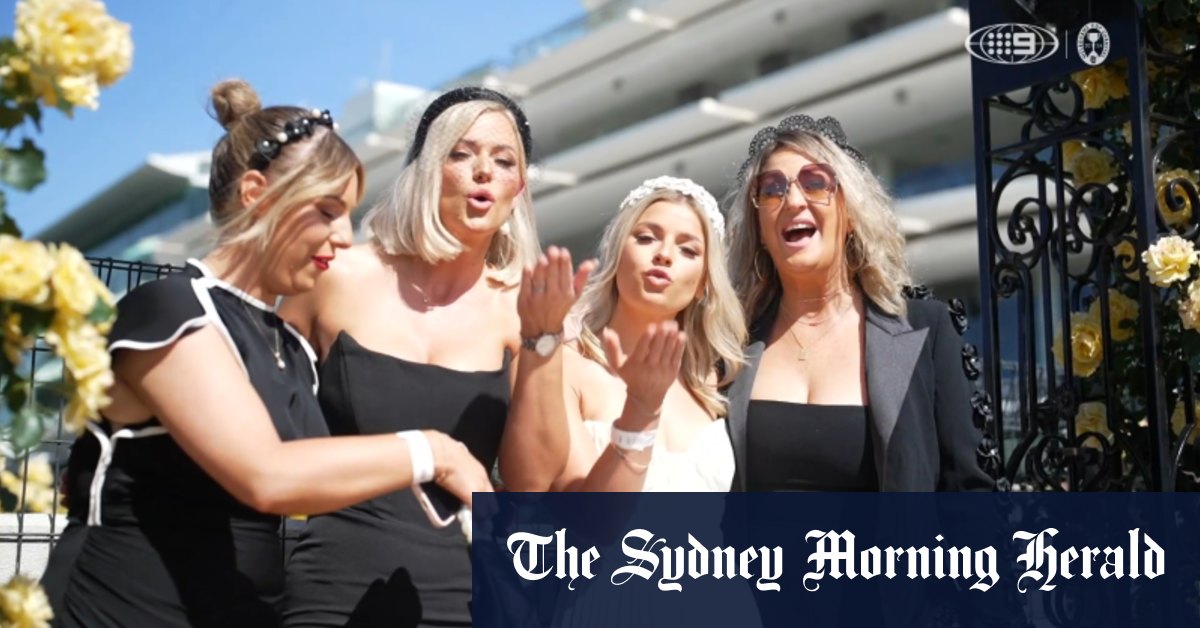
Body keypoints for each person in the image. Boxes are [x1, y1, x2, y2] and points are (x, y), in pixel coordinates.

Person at [40, 79, 492, 628]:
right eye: (326, 211)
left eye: (348, 214)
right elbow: (268, 476)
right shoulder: (172, 310)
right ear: (256, 192)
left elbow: (319, 481)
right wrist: (436, 452)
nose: (345, 236)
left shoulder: (288, 348)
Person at [280, 86, 591, 627]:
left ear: (518, 188)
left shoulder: (524, 306)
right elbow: (263, 422)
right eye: (462, 153)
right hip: (329, 581)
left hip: (463, 592)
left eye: (503, 161)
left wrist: (543, 341)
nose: (483, 172)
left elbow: (529, 482)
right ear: (427, 168)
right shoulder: (338, 276)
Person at [722, 114, 993, 492]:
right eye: (772, 188)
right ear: (760, 228)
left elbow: (968, 492)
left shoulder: (925, 330)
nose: (793, 200)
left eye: (816, 183)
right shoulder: (729, 342)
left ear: (850, 214)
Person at [550, 176, 745, 493]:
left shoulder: (722, 384)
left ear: (703, 284)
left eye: (688, 250)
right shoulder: (564, 367)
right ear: (616, 256)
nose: (664, 254)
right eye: (645, 238)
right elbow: (583, 516)